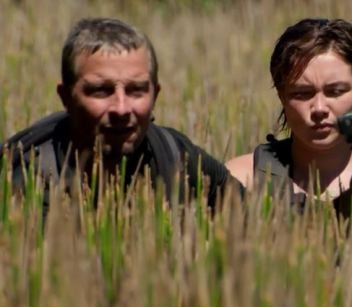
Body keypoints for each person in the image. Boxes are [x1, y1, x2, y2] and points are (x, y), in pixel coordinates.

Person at [1, 17, 239, 212]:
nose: (121, 109)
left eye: (137, 90)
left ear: (155, 94)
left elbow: (253, 218)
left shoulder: (176, 157)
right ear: (65, 97)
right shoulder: (26, 183)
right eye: (101, 91)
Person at [225, 18, 352, 232]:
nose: (319, 108)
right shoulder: (243, 179)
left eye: (335, 92)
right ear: (282, 96)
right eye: (302, 94)